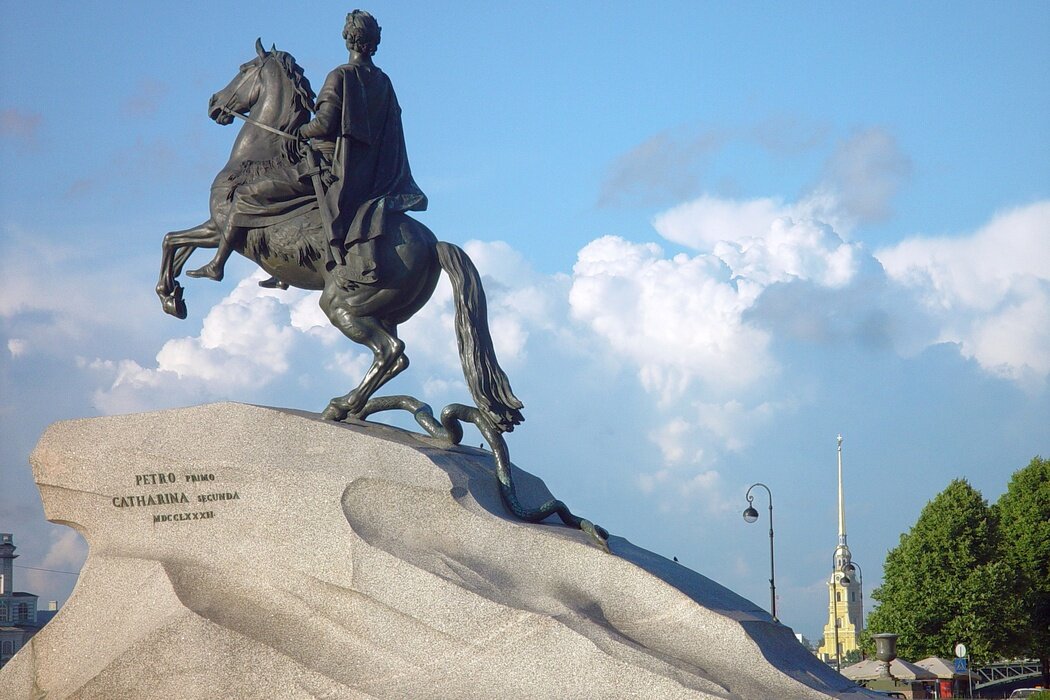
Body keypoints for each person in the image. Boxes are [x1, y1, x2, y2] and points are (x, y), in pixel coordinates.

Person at [190, 10, 426, 285]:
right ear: (374, 41)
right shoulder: (384, 82)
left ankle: (217, 264)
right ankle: (281, 271)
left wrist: (300, 131)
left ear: (348, 39)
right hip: (367, 176)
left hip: (329, 167)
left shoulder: (341, 76)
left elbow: (324, 125)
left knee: (246, 195)